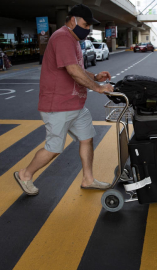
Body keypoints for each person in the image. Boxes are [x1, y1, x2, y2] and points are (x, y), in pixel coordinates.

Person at [14, 4, 114, 196]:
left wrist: (94, 77)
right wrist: (98, 88)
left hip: (75, 104)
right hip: (57, 105)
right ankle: (25, 174)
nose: (87, 29)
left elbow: (77, 68)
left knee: (87, 138)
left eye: (89, 27)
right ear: (73, 20)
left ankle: (88, 179)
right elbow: (72, 70)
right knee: (54, 148)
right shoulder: (62, 37)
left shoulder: (74, 39)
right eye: (85, 25)